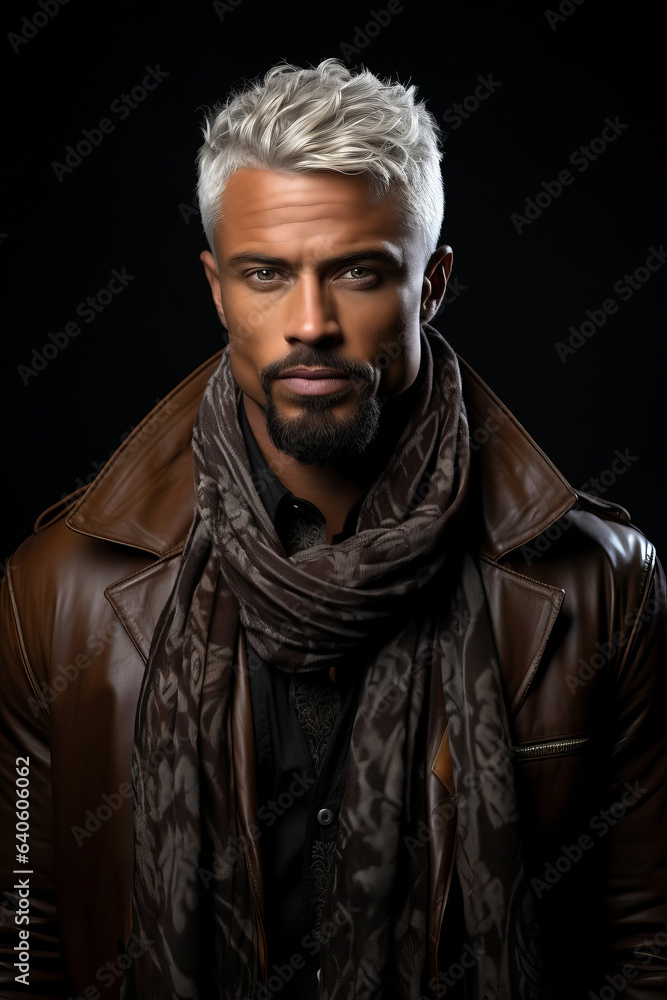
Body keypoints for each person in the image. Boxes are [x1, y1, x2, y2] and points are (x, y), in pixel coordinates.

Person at [1, 58, 666, 1000]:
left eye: (357, 271)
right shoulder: (55, 588)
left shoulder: (600, 585)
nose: (309, 324)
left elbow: (645, 946)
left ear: (431, 283)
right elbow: (25, 944)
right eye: (265, 273)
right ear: (216, 287)